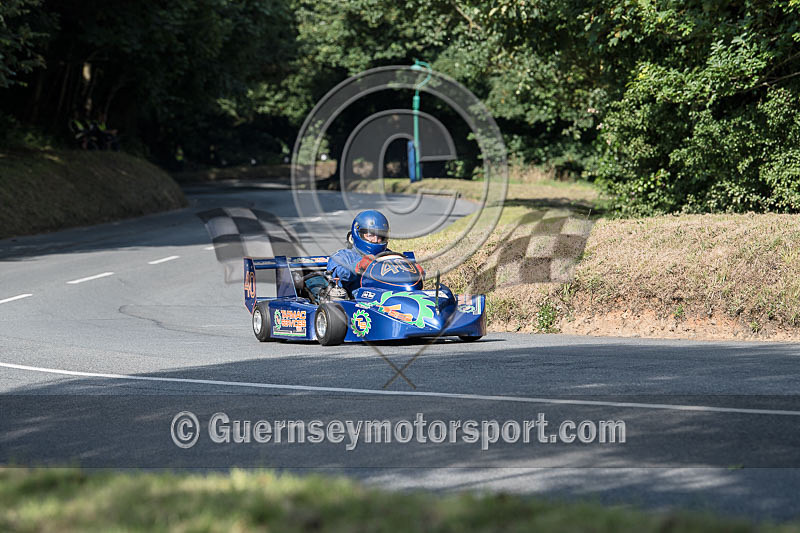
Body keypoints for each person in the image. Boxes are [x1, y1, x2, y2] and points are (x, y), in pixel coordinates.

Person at [326, 210, 390, 294]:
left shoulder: (389, 255)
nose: (376, 240)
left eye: (380, 236)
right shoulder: (344, 256)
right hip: (358, 302)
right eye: (370, 235)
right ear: (358, 234)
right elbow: (338, 273)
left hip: (388, 298)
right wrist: (358, 266)